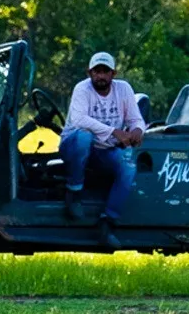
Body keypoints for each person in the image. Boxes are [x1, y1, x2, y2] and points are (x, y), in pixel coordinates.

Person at [59, 50, 145, 238]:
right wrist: (115, 131)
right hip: (74, 147)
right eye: (96, 71)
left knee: (129, 166)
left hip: (104, 150)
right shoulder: (82, 89)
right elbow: (79, 120)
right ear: (89, 73)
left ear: (113, 74)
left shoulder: (123, 89)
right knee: (83, 136)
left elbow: (136, 119)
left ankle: (108, 220)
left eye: (105, 71)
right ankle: (74, 191)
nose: (100, 76)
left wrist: (138, 130)